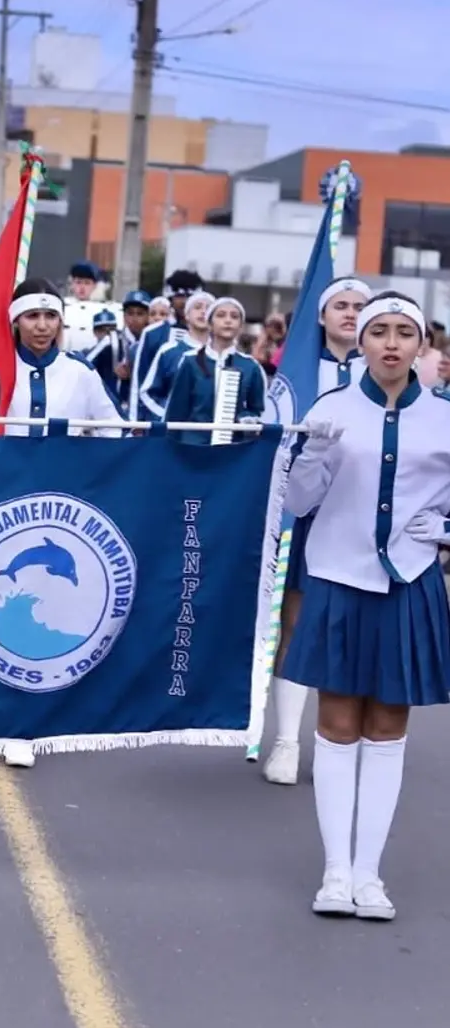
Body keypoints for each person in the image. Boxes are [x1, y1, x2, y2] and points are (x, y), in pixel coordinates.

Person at [282, 291, 450, 921]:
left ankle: (369, 875)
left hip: (409, 580)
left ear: (422, 344)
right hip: (337, 575)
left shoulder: (444, 417)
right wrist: (313, 454)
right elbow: (297, 502)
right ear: (362, 341)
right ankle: (335, 872)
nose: (391, 343)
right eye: (379, 331)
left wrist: (443, 529)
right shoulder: (331, 408)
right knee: (337, 722)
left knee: (387, 726)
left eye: (404, 332)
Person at [0, 277, 122, 772]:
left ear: (61, 321)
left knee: (43, 610)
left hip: (60, 509)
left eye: (50, 316)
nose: (41, 326)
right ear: (16, 321)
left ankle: (26, 724)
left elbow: (112, 432)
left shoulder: (81, 375)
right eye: (32, 316)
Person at [261, 278, 373, 787]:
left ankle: (349, 740)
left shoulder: (385, 371)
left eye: (359, 307)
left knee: (361, 629)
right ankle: (287, 739)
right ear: (322, 316)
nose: (350, 314)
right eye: (341, 306)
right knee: (298, 624)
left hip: (366, 513)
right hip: (308, 513)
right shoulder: (299, 374)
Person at [163, 297, 266, 443]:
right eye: (221, 315)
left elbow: (258, 409)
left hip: (233, 448)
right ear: (210, 324)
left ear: (241, 326)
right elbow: (176, 411)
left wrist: (247, 419)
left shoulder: (251, 366)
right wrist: (171, 445)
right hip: (192, 446)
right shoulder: (190, 361)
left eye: (234, 316)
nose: (228, 320)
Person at [140, 290, 215, 420]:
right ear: (187, 315)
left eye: (208, 308)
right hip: (173, 427)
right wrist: (169, 415)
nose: (203, 312)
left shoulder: (222, 356)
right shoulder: (168, 351)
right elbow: (148, 393)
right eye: (197, 307)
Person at [128, 294, 176, 423]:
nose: (157, 317)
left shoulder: (175, 344)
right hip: (146, 404)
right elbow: (137, 381)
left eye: (163, 314)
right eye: (152, 314)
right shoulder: (136, 348)